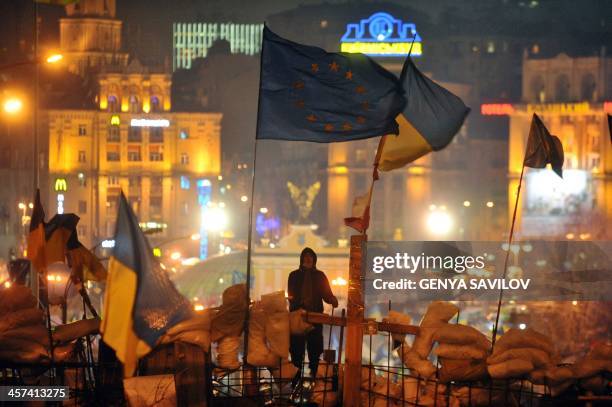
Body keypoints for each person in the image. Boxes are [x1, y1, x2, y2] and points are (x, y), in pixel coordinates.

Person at [288, 247, 338, 381]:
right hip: (298, 317)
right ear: (302, 259)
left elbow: (326, 293)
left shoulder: (320, 276)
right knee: (296, 351)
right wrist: (298, 306)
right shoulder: (294, 275)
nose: (308, 258)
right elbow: (291, 295)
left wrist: (332, 299)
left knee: (315, 350)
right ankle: (296, 380)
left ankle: (314, 378)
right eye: (306, 256)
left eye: (311, 256)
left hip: (315, 318)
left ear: (314, 259)